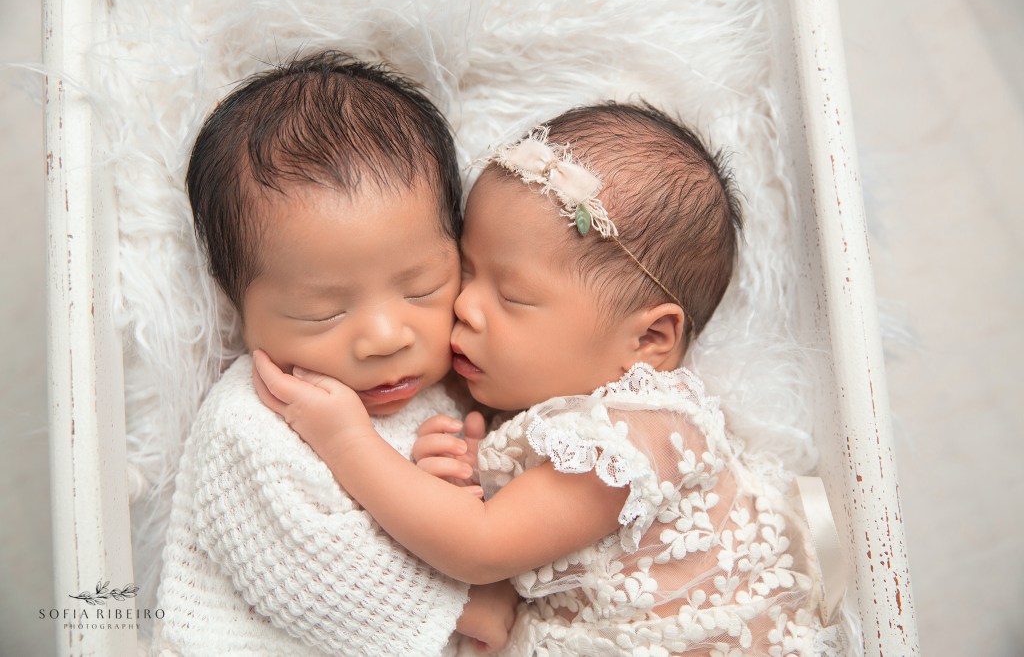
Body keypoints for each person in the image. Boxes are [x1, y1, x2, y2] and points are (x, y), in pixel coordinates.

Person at [254, 103, 846, 656]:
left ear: (648, 342)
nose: (466, 307)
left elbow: (480, 548)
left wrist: (346, 441)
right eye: (465, 271)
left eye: (511, 296)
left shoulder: (641, 436)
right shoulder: (555, 421)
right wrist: (460, 474)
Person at [152, 50, 516, 657]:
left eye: (422, 289)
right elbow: (305, 575)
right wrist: (473, 603)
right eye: (323, 312)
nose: (385, 337)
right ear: (237, 304)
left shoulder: (454, 386)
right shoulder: (253, 419)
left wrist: (466, 476)